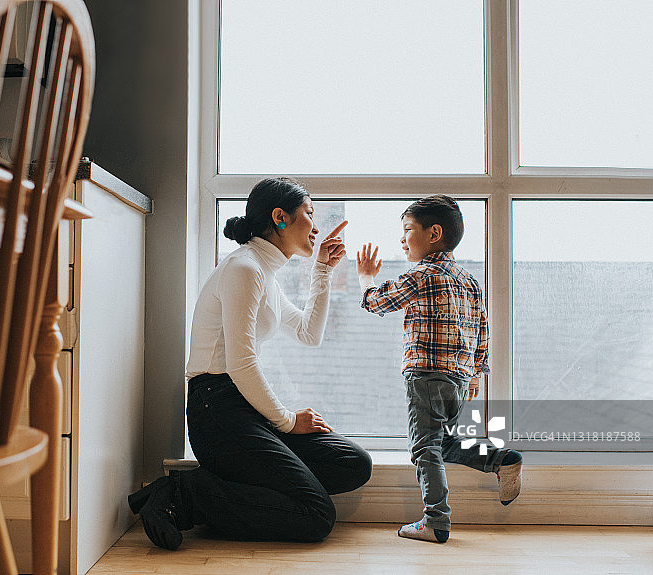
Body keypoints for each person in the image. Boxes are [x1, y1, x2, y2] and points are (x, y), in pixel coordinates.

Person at [128, 177, 372, 550]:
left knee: (354, 464)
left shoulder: (264, 273)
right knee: (316, 515)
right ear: (280, 218)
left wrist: (322, 270)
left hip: (245, 407)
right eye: (309, 213)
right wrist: (287, 421)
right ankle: (184, 494)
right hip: (217, 412)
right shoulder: (245, 268)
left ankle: (235, 486)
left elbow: (308, 333)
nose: (316, 226)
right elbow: (241, 364)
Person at [356, 195, 522, 544]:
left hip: (426, 376)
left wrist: (366, 277)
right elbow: (482, 330)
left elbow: (377, 302)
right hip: (458, 378)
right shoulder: (469, 280)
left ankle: (436, 520)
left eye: (407, 230)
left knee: (424, 447)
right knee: (443, 443)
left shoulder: (421, 274)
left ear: (433, 234)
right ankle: (501, 460)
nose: (402, 239)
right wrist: (474, 373)